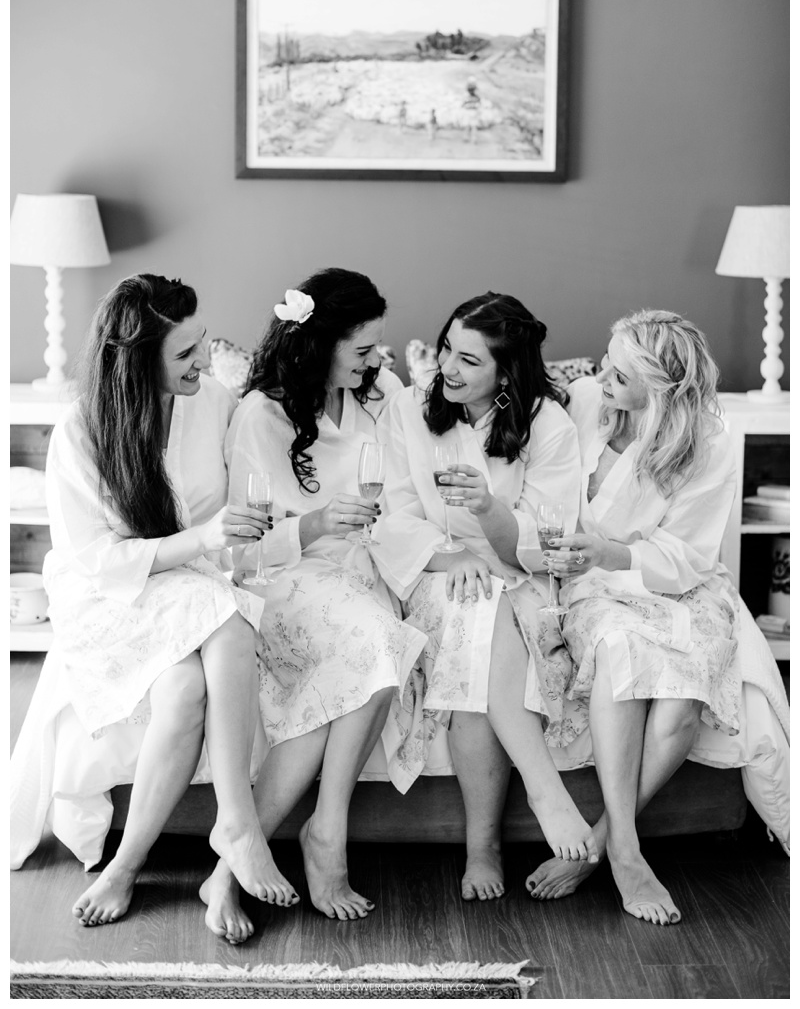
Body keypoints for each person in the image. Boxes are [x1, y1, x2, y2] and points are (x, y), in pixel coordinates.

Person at [10, 274, 298, 937]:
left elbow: (241, 503)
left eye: (203, 343)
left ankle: (127, 864)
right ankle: (238, 824)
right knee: (228, 622)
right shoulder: (81, 432)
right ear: (137, 362)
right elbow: (97, 560)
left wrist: (253, 529)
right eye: (185, 353)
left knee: (185, 687)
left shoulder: (214, 401)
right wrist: (201, 539)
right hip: (110, 594)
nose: (205, 361)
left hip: (191, 582)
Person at [202, 268, 426, 933]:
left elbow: (402, 493)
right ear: (320, 342)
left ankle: (230, 871)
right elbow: (240, 551)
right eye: (363, 349)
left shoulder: (380, 394)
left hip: (361, 573)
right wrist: (317, 524)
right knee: (381, 644)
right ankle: (326, 835)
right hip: (285, 579)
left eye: (378, 347)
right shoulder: (261, 415)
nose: (376, 360)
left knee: (354, 672)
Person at [372, 292, 598, 903]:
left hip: (518, 576)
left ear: (506, 372)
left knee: (478, 645)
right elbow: (395, 516)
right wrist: (454, 558)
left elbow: (542, 543)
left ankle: (483, 848)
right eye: (446, 348)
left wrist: (487, 508)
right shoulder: (409, 408)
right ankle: (545, 793)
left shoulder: (547, 425)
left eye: (469, 360)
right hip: (435, 569)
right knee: (476, 609)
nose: (447, 367)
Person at [528, 310, 742, 926]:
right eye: (606, 362)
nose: (601, 378)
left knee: (679, 703)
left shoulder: (708, 444)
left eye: (620, 374)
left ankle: (601, 841)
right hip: (593, 584)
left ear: (662, 388)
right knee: (619, 650)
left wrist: (611, 550)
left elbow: (688, 556)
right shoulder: (585, 402)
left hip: (675, 584)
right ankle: (626, 852)